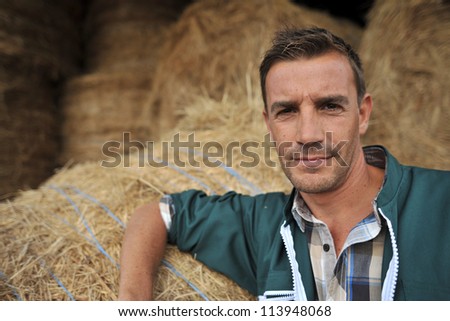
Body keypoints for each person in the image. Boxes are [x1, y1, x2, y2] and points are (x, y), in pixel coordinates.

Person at [118, 27, 450, 301]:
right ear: (268, 122)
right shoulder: (260, 227)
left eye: (330, 106)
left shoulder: (441, 206)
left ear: (362, 114)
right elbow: (161, 213)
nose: (307, 135)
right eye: (287, 111)